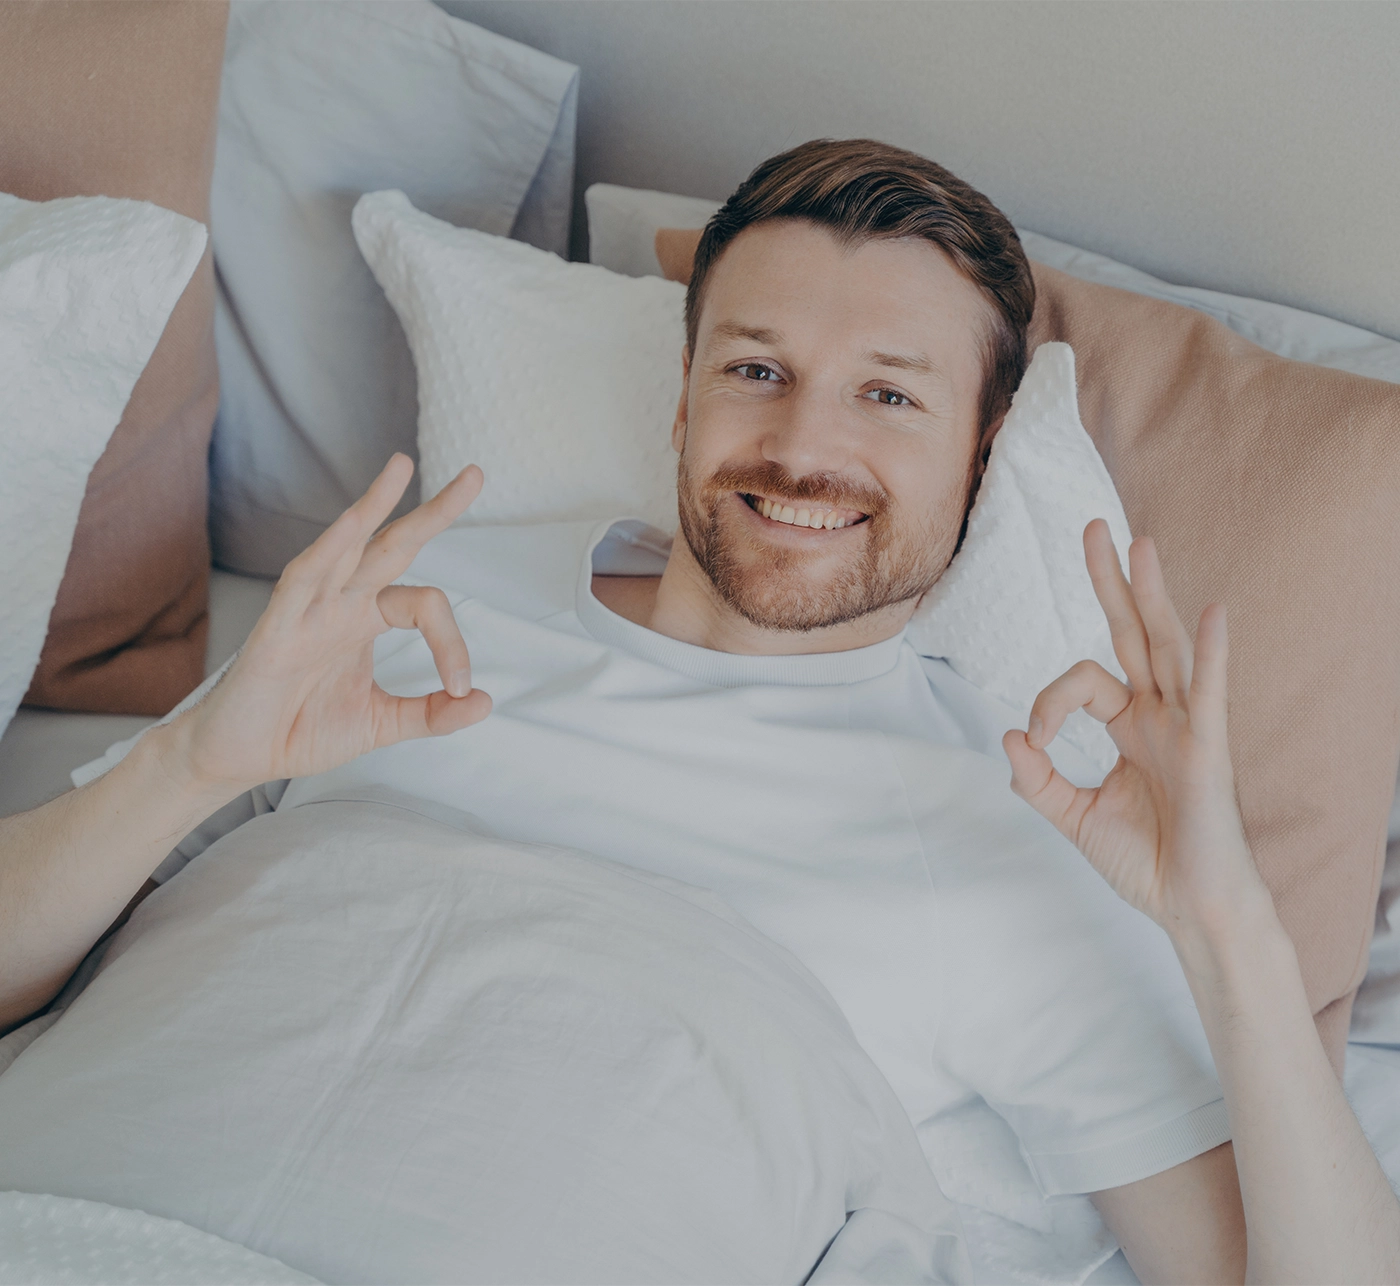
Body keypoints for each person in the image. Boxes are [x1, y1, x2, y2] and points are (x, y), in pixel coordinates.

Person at [2, 139, 1397, 1284]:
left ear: (979, 458)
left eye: (889, 394)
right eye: (755, 368)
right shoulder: (414, 594)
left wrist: (1228, 930)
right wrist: (192, 763)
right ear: (680, 400)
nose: (803, 444)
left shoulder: (1022, 817)